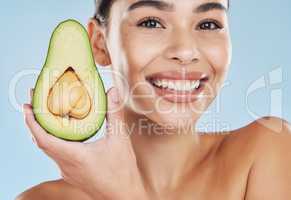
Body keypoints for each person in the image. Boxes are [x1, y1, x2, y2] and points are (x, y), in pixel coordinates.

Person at [17, 0, 291, 199]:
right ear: (100, 44)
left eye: (208, 24)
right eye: (151, 22)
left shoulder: (266, 150)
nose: (185, 51)